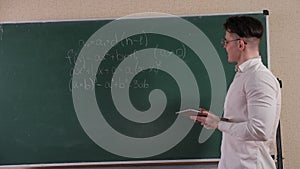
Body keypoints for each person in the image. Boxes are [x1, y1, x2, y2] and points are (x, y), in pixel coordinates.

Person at [192, 16, 281, 169]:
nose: (225, 46)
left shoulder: (258, 78)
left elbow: (260, 130)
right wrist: (215, 120)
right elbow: (241, 121)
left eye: (226, 42)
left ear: (240, 44)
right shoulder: (243, 75)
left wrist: (219, 124)